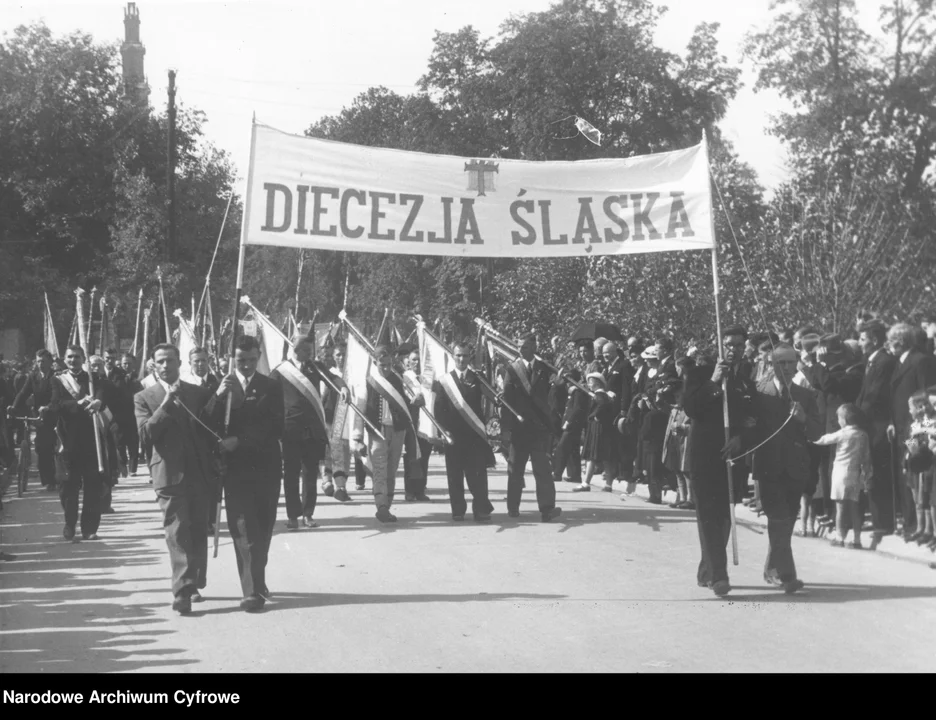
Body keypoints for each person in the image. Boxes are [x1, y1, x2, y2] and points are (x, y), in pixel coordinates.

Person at [135, 343, 220, 615]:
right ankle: (182, 590)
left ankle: (193, 580)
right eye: (160, 361)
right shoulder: (144, 397)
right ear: (153, 364)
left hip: (198, 472)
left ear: (180, 362)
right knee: (177, 530)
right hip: (168, 474)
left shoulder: (198, 393)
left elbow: (212, 428)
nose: (165, 365)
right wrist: (166, 404)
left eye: (170, 360)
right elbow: (146, 435)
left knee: (197, 529)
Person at [682, 325, 756, 597]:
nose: (734, 349)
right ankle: (719, 576)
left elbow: (751, 419)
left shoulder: (746, 380)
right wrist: (713, 381)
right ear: (718, 344)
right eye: (729, 344)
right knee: (709, 517)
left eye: (738, 344)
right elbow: (690, 407)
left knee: (724, 518)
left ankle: (708, 570)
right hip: (704, 457)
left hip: (731, 456)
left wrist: (741, 439)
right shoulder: (699, 373)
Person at [213, 335, 284, 612]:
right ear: (233, 358)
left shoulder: (271, 387)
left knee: (263, 530)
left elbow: (275, 427)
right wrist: (219, 397)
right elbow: (207, 421)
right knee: (243, 531)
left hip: (265, 468)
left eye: (252, 360)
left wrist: (240, 440)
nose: (246, 366)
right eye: (241, 360)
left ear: (259, 357)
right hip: (236, 471)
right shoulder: (223, 385)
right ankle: (251, 591)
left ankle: (258, 577)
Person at [754, 343, 823, 594]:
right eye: (779, 362)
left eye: (789, 362)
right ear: (771, 365)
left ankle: (772, 569)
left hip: (796, 468)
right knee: (777, 519)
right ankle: (787, 575)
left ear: (797, 365)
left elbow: (817, 432)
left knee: (785, 522)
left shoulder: (806, 395)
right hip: (769, 467)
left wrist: (804, 419)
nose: (785, 367)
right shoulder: (760, 392)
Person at [351, 344, 423, 523]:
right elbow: (359, 410)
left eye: (388, 364)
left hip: (398, 431)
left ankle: (387, 506)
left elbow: (412, 397)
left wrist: (418, 399)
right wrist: (357, 437)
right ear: (375, 362)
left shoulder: (399, 379)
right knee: (380, 470)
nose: (385, 368)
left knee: (392, 470)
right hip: (377, 432)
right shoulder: (368, 381)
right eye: (381, 364)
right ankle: (381, 505)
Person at [269, 335, 329, 530]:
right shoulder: (281, 371)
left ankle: (308, 514)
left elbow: (334, 379)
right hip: (290, 430)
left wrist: (343, 388)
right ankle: (293, 516)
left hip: (312, 430)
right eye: (307, 351)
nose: (311, 354)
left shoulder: (316, 367)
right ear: (296, 350)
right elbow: (269, 395)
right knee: (291, 474)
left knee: (310, 474)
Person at [432, 341, 496, 522]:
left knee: (477, 474)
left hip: (474, 435)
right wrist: (443, 431)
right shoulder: (444, 380)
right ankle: (458, 509)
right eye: (458, 355)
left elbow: (491, 401)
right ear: (453, 357)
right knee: (455, 475)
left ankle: (481, 509)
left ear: (470, 357)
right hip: (453, 435)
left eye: (465, 356)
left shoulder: (478, 379)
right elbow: (439, 409)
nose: (461, 359)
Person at [501, 333, 562, 522]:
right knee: (515, 470)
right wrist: (506, 429)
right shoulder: (512, 369)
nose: (520, 349)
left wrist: (558, 385)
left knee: (543, 471)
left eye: (525, 347)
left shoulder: (544, 368)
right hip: (520, 429)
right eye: (519, 346)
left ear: (534, 348)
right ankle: (513, 507)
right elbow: (506, 400)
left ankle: (547, 509)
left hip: (539, 429)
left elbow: (552, 397)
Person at [50, 345, 107, 541]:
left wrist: (98, 401)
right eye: (70, 357)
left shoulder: (93, 378)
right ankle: (69, 524)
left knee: (93, 487)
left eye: (77, 357)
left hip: (92, 441)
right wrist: (78, 403)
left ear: (84, 358)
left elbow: (102, 394)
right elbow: (56, 405)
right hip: (68, 440)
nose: (73, 360)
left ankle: (89, 528)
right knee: (68, 488)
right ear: (65, 359)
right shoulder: (58, 381)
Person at [886, 323, 936, 539]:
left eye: (891, 341)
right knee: (907, 473)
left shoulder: (920, 360)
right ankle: (911, 524)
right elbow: (894, 397)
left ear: (901, 341)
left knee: (919, 475)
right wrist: (891, 421)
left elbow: (926, 395)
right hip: (902, 428)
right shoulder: (899, 362)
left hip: (917, 430)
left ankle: (923, 527)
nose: (888, 345)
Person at [855, 319, 897, 548]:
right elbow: (864, 395)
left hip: (879, 425)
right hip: (869, 424)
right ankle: (878, 519)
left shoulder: (884, 361)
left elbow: (875, 395)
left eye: (863, 339)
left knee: (878, 473)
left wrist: (857, 418)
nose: (860, 344)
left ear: (874, 339)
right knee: (871, 473)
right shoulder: (871, 361)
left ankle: (883, 522)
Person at [812, 403, 872, 548]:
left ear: (844, 420)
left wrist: (812, 438)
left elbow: (825, 439)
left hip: (840, 473)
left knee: (840, 508)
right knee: (855, 508)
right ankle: (856, 539)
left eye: (839, 418)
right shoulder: (863, 434)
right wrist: (867, 475)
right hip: (855, 474)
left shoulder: (842, 433)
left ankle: (840, 537)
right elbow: (867, 458)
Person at [11, 349, 58, 491]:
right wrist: (13, 407)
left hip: (56, 415)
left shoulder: (56, 376)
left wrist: (49, 407)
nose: (40, 364)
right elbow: (23, 393)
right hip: (40, 418)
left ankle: (66, 476)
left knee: (59, 448)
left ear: (50, 362)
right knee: (42, 449)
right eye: (38, 361)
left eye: (43, 361)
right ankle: (49, 480)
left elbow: (57, 396)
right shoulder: (33, 376)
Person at [576, 372, 619, 493]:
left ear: (597, 383)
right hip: (602, 428)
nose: (589, 384)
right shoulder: (603, 394)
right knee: (605, 457)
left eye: (590, 381)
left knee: (592, 456)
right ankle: (608, 485)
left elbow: (601, 405)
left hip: (597, 428)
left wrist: (594, 416)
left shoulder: (599, 394)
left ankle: (586, 483)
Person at [400, 346, 432, 503]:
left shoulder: (428, 378)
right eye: (413, 360)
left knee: (424, 457)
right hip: (412, 422)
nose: (416, 363)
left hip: (426, 423)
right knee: (412, 457)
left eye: (419, 360)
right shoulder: (404, 378)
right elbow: (403, 399)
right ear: (408, 362)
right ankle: (409, 490)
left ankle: (421, 490)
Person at [904, 391, 936, 545]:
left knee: (926, 499)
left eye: (911, 408)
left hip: (926, 464)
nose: (910, 411)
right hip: (914, 465)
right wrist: (910, 450)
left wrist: (917, 446)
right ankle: (920, 528)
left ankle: (929, 530)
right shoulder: (913, 425)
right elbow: (910, 443)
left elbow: (926, 443)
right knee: (917, 498)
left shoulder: (927, 424)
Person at [553, 367, 588, 486]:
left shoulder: (578, 391)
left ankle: (557, 473)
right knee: (573, 450)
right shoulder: (572, 390)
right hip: (572, 424)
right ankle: (575, 475)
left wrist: (569, 421)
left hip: (573, 424)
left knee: (561, 448)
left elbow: (577, 409)